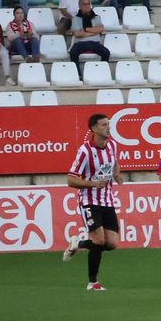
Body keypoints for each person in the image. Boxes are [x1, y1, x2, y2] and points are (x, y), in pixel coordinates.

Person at [60, 114, 124, 290]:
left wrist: (117, 174)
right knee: (98, 239)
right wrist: (93, 184)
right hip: (89, 201)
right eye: (104, 125)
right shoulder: (85, 151)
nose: (108, 127)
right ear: (94, 129)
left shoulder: (113, 145)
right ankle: (93, 282)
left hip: (107, 201)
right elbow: (71, 180)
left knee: (111, 243)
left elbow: (115, 162)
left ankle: (78, 244)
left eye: (108, 124)